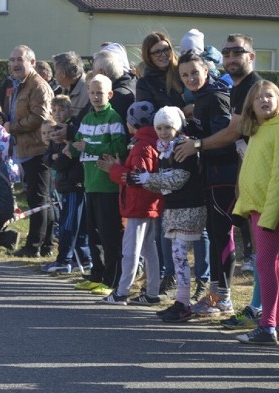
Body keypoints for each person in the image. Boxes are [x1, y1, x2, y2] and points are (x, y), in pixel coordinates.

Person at [232, 80, 279, 345]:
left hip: (270, 212)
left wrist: (272, 215)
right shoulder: (260, 130)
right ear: (250, 105)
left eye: (269, 96)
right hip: (258, 209)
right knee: (270, 266)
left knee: (264, 264)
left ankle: (268, 326)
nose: (264, 100)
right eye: (258, 97)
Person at [129, 106, 204, 322]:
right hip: (173, 209)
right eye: (159, 127)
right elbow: (164, 183)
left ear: (177, 127)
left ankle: (184, 304)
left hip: (188, 207)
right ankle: (181, 301)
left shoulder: (182, 147)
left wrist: (148, 179)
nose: (163, 132)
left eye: (168, 127)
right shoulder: (164, 148)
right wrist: (144, 180)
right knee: (176, 256)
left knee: (180, 256)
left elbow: (178, 178)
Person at [178, 51, 238, 318]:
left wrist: (197, 143)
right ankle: (214, 294)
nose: (190, 78)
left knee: (222, 235)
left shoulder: (215, 96)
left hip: (224, 176)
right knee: (214, 235)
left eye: (194, 72)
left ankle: (223, 298)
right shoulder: (202, 97)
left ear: (206, 70)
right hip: (211, 175)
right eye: (184, 75)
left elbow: (226, 136)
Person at [67, 73, 127, 296]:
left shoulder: (114, 118)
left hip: (108, 186)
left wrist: (90, 149)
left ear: (110, 94)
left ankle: (112, 280)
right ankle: (97, 274)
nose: (95, 96)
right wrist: (69, 148)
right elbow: (79, 142)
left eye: (100, 92)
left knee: (110, 235)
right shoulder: (87, 118)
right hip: (90, 184)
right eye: (92, 92)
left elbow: (120, 148)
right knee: (92, 234)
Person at [97, 101, 161, 304]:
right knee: (149, 249)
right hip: (149, 203)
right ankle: (152, 292)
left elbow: (137, 178)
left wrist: (113, 170)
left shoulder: (141, 145)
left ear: (132, 123)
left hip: (137, 204)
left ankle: (122, 291)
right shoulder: (153, 141)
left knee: (131, 249)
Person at [6, 45, 55, 258]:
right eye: (12, 59)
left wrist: (12, 127)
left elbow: (39, 117)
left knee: (39, 200)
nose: (15, 63)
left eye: (20, 59)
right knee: (41, 199)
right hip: (26, 148)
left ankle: (34, 246)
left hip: (38, 149)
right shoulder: (20, 85)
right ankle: (46, 245)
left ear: (32, 62)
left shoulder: (38, 86)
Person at [41, 99, 90, 273]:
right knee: (73, 221)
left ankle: (65, 259)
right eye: (54, 110)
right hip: (62, 183)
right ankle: (82, 258)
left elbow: (69, 158)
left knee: (71, 223)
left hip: (74, 182)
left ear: (69, 110)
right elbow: (47, 157)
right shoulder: (55, 132)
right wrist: (52, 158)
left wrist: (58, 158)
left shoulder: (72, 130)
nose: (57, 113)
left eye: (61, 110)